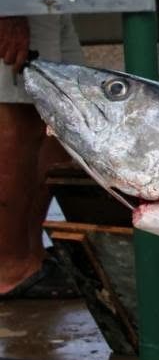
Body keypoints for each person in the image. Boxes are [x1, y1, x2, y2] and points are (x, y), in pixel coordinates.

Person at [0, 15, 83, 299]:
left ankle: (29, 253)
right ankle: (9, 267)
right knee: (20, 118)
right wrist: (7, 7)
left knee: (59, 117)